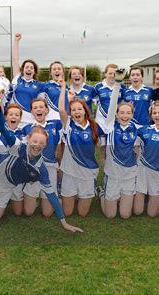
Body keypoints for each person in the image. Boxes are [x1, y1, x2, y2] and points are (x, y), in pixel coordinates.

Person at [0, 98, 83, 232]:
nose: (37, 145)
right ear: (28, 139)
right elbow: (3, 130)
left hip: (7, 187)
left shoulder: (41, 168)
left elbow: (52, 196)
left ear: (45, 145)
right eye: (34, 141)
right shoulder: (17, 146)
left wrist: (64, 223)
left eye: (41, 143)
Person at [58, 80, 102, 217]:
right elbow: (60, 109)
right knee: (67, 212)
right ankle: (59, 195)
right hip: (70, 172)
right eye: (73, 110)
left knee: (83, 214)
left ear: (85, 110)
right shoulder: (69, 124)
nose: (77, 112)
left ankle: (98, 192)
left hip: (87, 171)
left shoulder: (94, 126)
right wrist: (64, 88)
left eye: (79, 109)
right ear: (70, 113)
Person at [97, 83, 140, 219]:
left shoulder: (137, 129)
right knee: (110, 215)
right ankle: (102, 193)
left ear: (132, 114)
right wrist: (116, 88)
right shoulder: (110, 126)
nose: (125, 115)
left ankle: (120, 198)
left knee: (125, 215)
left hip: (129, 175)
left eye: (128, 113)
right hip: (113, 174)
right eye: (121, 112)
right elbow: (111, 106)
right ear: (116, 114)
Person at [21, 98, 63, 217]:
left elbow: (58, 147)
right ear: (31, 112)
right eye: (35, 108)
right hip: (33, 169)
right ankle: (34, 196)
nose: (38, 109)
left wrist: (59, 166)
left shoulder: (55, 124)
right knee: (28, 212)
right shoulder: (26, 128)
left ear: (46, 110)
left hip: (49, 168)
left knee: (47, 213)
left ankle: (54, 197)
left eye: (41, 107)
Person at [10, 33, 45, 125]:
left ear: (34, 71)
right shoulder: (17, 78)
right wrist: (16, 41)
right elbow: (15, 59)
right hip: (16, 118)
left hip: (31, 119)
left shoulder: (39, 85)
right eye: (27, 67)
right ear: (23, 69)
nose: (29, 69)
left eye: (31, 68)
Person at [94, 64, 124, 129]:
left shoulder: (122, 87)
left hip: (115, 122)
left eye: (115, 74)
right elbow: (93, 103)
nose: (113, 76)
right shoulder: (98, 87)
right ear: (105, 74)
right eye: (110, 73)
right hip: (100, 122)